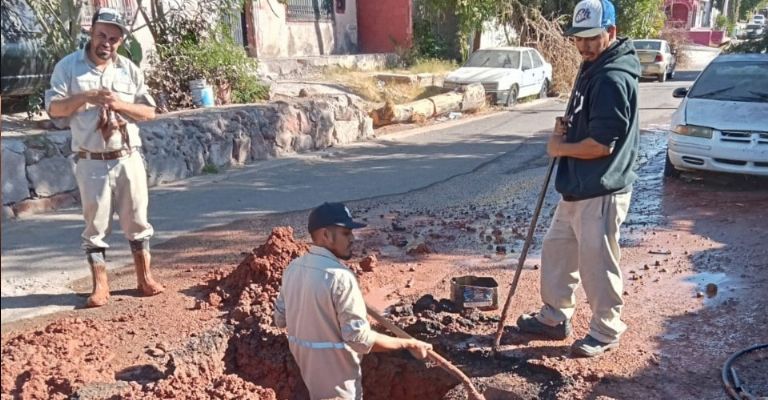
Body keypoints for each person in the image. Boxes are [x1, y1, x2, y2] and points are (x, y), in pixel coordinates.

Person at [515, 0, 640, 357]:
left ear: (611, 32)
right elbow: (591, 123)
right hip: (577, 187)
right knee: (558, 251)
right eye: (578, 38)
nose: (583, 46)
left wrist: (559, 148)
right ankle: (554, 317)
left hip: (601, 187)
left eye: (591, 38)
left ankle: (606, 329)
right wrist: (567, 129)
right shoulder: (593, 66)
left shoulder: (612, 78)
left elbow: (601, 145)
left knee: (596, 262)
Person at [45, 8, 163, 308]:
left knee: (137, 219)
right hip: (91, 159)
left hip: (127, 156)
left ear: (120, 41)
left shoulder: (128, 69)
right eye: (101, 35)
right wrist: (85, 97)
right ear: (91, 32)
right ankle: (100, 286)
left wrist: (119, 103)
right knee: (95, 225)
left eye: (113, 38)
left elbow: (149, 112)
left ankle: (144, 277)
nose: (106, 43)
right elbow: (55, 109)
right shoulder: (68, 67)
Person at [274, 202, 433, 399]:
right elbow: (360, 340)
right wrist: (406, 344)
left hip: (309, 375)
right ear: (325, 235)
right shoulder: (340, 277)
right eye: (346, 233)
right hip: (338, 386)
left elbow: (280, 320)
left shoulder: (293, 268)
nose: (352, 239)